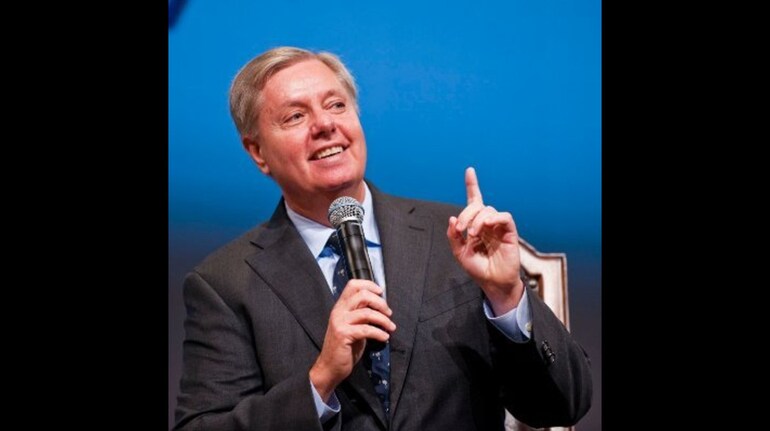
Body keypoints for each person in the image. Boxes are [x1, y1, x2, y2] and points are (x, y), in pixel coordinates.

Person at [173, 46, 592, 431]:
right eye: (295, 116)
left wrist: (507, 297)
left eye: (336, 105)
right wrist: (319, 382)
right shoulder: (225, 284)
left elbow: (564, 405)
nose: (325, 125)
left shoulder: (456, 238)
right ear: (257, 152)